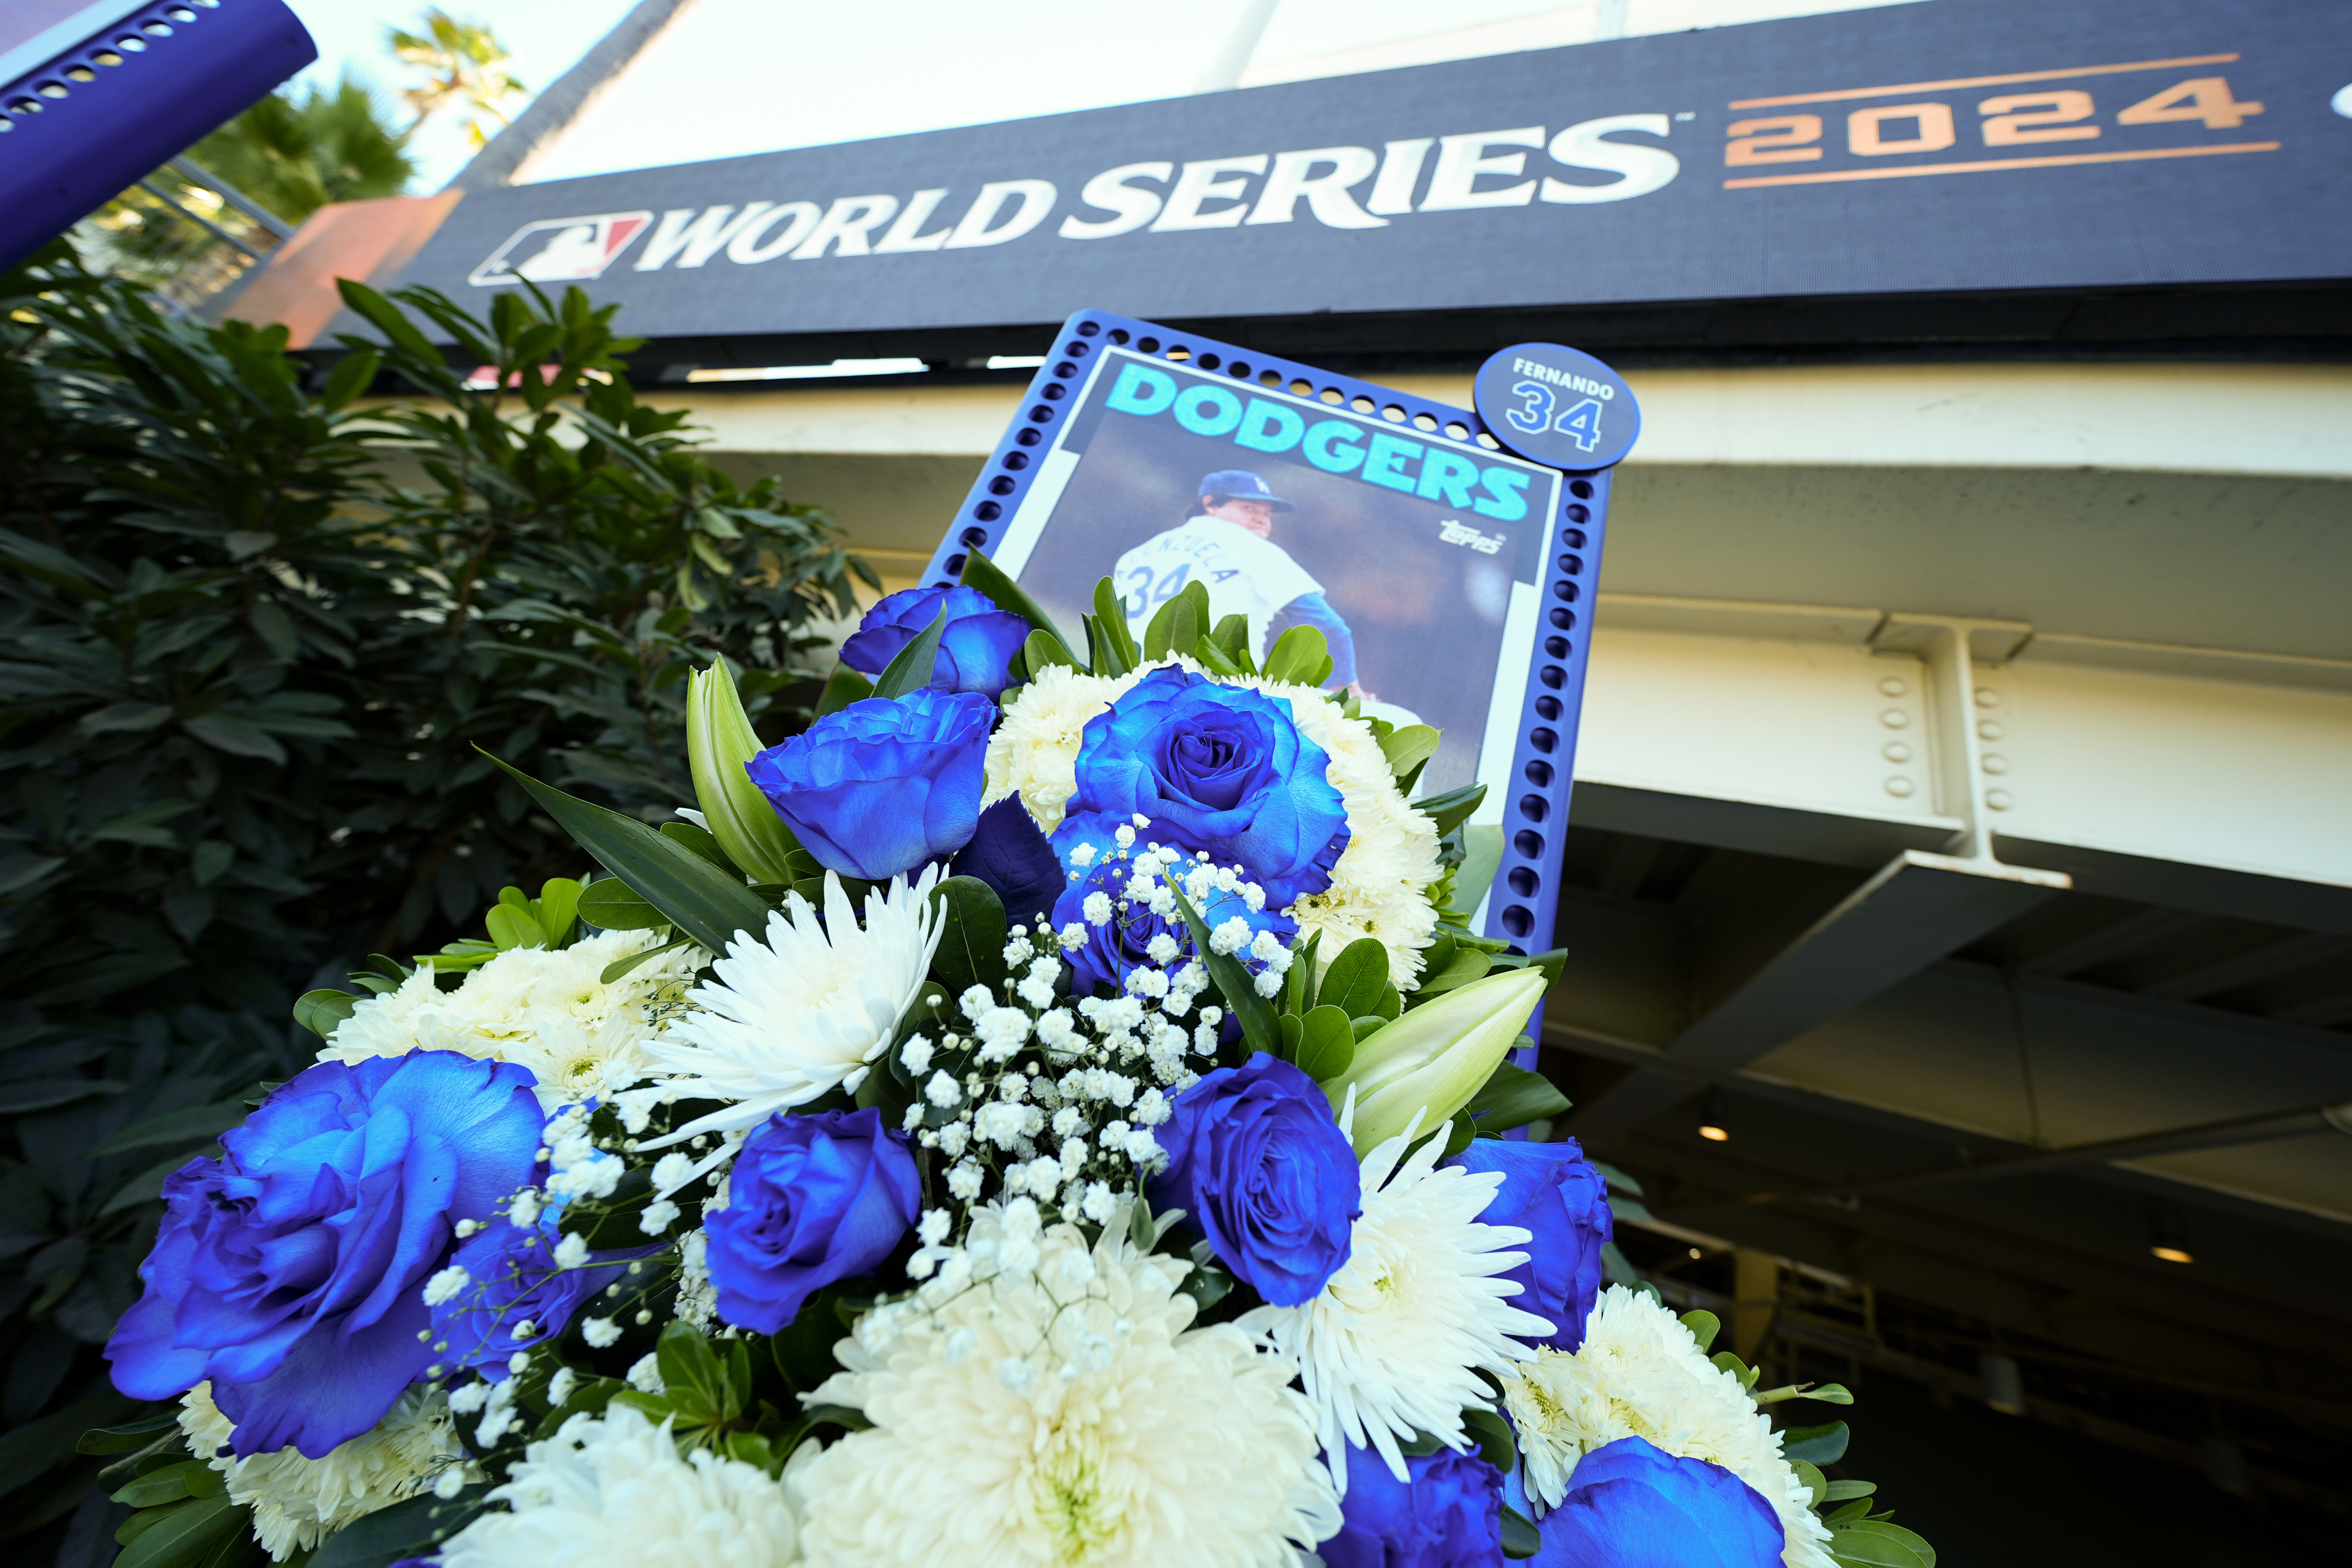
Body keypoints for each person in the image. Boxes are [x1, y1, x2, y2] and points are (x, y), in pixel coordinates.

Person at [1112, 469, 1365, 696]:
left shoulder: (1136, 554)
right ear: (1210, 505)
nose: (1262, 519)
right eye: (1249, 509)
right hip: (1215, 696)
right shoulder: (1249, 546)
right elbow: (1327, 625)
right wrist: (1346, 686)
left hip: (1127, 687)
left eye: (1268, 513)